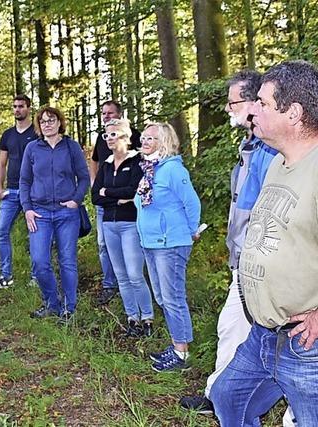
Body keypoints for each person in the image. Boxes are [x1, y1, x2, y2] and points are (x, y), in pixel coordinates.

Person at [210, 60, 318, 426]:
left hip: (305, 342)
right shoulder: (277, 162)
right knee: (228, 397)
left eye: (263, 103)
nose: (252, 109)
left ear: (294, 114)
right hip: (264, 334)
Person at [179, 71, 279, 419]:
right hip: (243, 262)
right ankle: (219, 396)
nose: (227, 107)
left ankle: (290, 409)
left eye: (234, 100)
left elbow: (271, 212)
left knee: (280, 342)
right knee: (231, 327)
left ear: (255, 103)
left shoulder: (273, 151)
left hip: (264, 265)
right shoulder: (249, 146)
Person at [134, 122, 201, 372]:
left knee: (173, 299)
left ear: (164, 142)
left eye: (150, 138)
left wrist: (191, 231)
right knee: (163, 297)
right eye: (143, 137)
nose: (144, 142)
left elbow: (191, 203)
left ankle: (182, 355)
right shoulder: (151, 170)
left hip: (170, 243)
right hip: (150, 243)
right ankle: (176, 346)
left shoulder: (173, 170)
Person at [20, 106, 89, 324]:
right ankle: (52, 303)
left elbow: (84, 177)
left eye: (51, 120)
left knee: (67, 261)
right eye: (43, 121)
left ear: (60, 122)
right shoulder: (32, 148)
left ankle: (69, 308)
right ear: (39, 126)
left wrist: (75, 201)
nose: (47, 124)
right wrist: (27, 209)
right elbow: (24, 181)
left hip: (66, 213)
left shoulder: (71, 147)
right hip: (39, 213)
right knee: (40, 261)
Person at [91, 118, 153, 337]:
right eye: (106, 135)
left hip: (130, 224)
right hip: (109, 223)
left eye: (113, 134)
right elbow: (94, 196)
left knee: (135, 274)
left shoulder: (138, 162)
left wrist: (108, 193)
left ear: (125, 137)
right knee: (121, 275)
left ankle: (147, 319)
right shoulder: (106, 164)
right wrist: (113, 197)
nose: (108, 139)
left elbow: (133, 192)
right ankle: (132, 319)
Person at [89, 101, 141, 305]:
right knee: (103, 245)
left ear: (120, 114)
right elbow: (94, 162)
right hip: (105, 208)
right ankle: (110, 284)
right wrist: (95, 184)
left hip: (129, 212)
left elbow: (133, 187)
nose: (106, 116)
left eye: (110, 113)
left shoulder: (133, 135)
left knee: (131, 252)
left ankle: (134, 288)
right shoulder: (102, 139)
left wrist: (107, 192)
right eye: (103, 113)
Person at [0, 95, 38, 289]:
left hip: (33, 192)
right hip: (11, 192)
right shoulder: (8, 135)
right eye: (15, 107)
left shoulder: (37, 132)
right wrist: (0, 188)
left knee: (34, 233)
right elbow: (2, 164)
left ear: (28, 108)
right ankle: (5, 276)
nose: (17, 110)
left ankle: (36, 276)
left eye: (21, 106)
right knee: (1, 230)